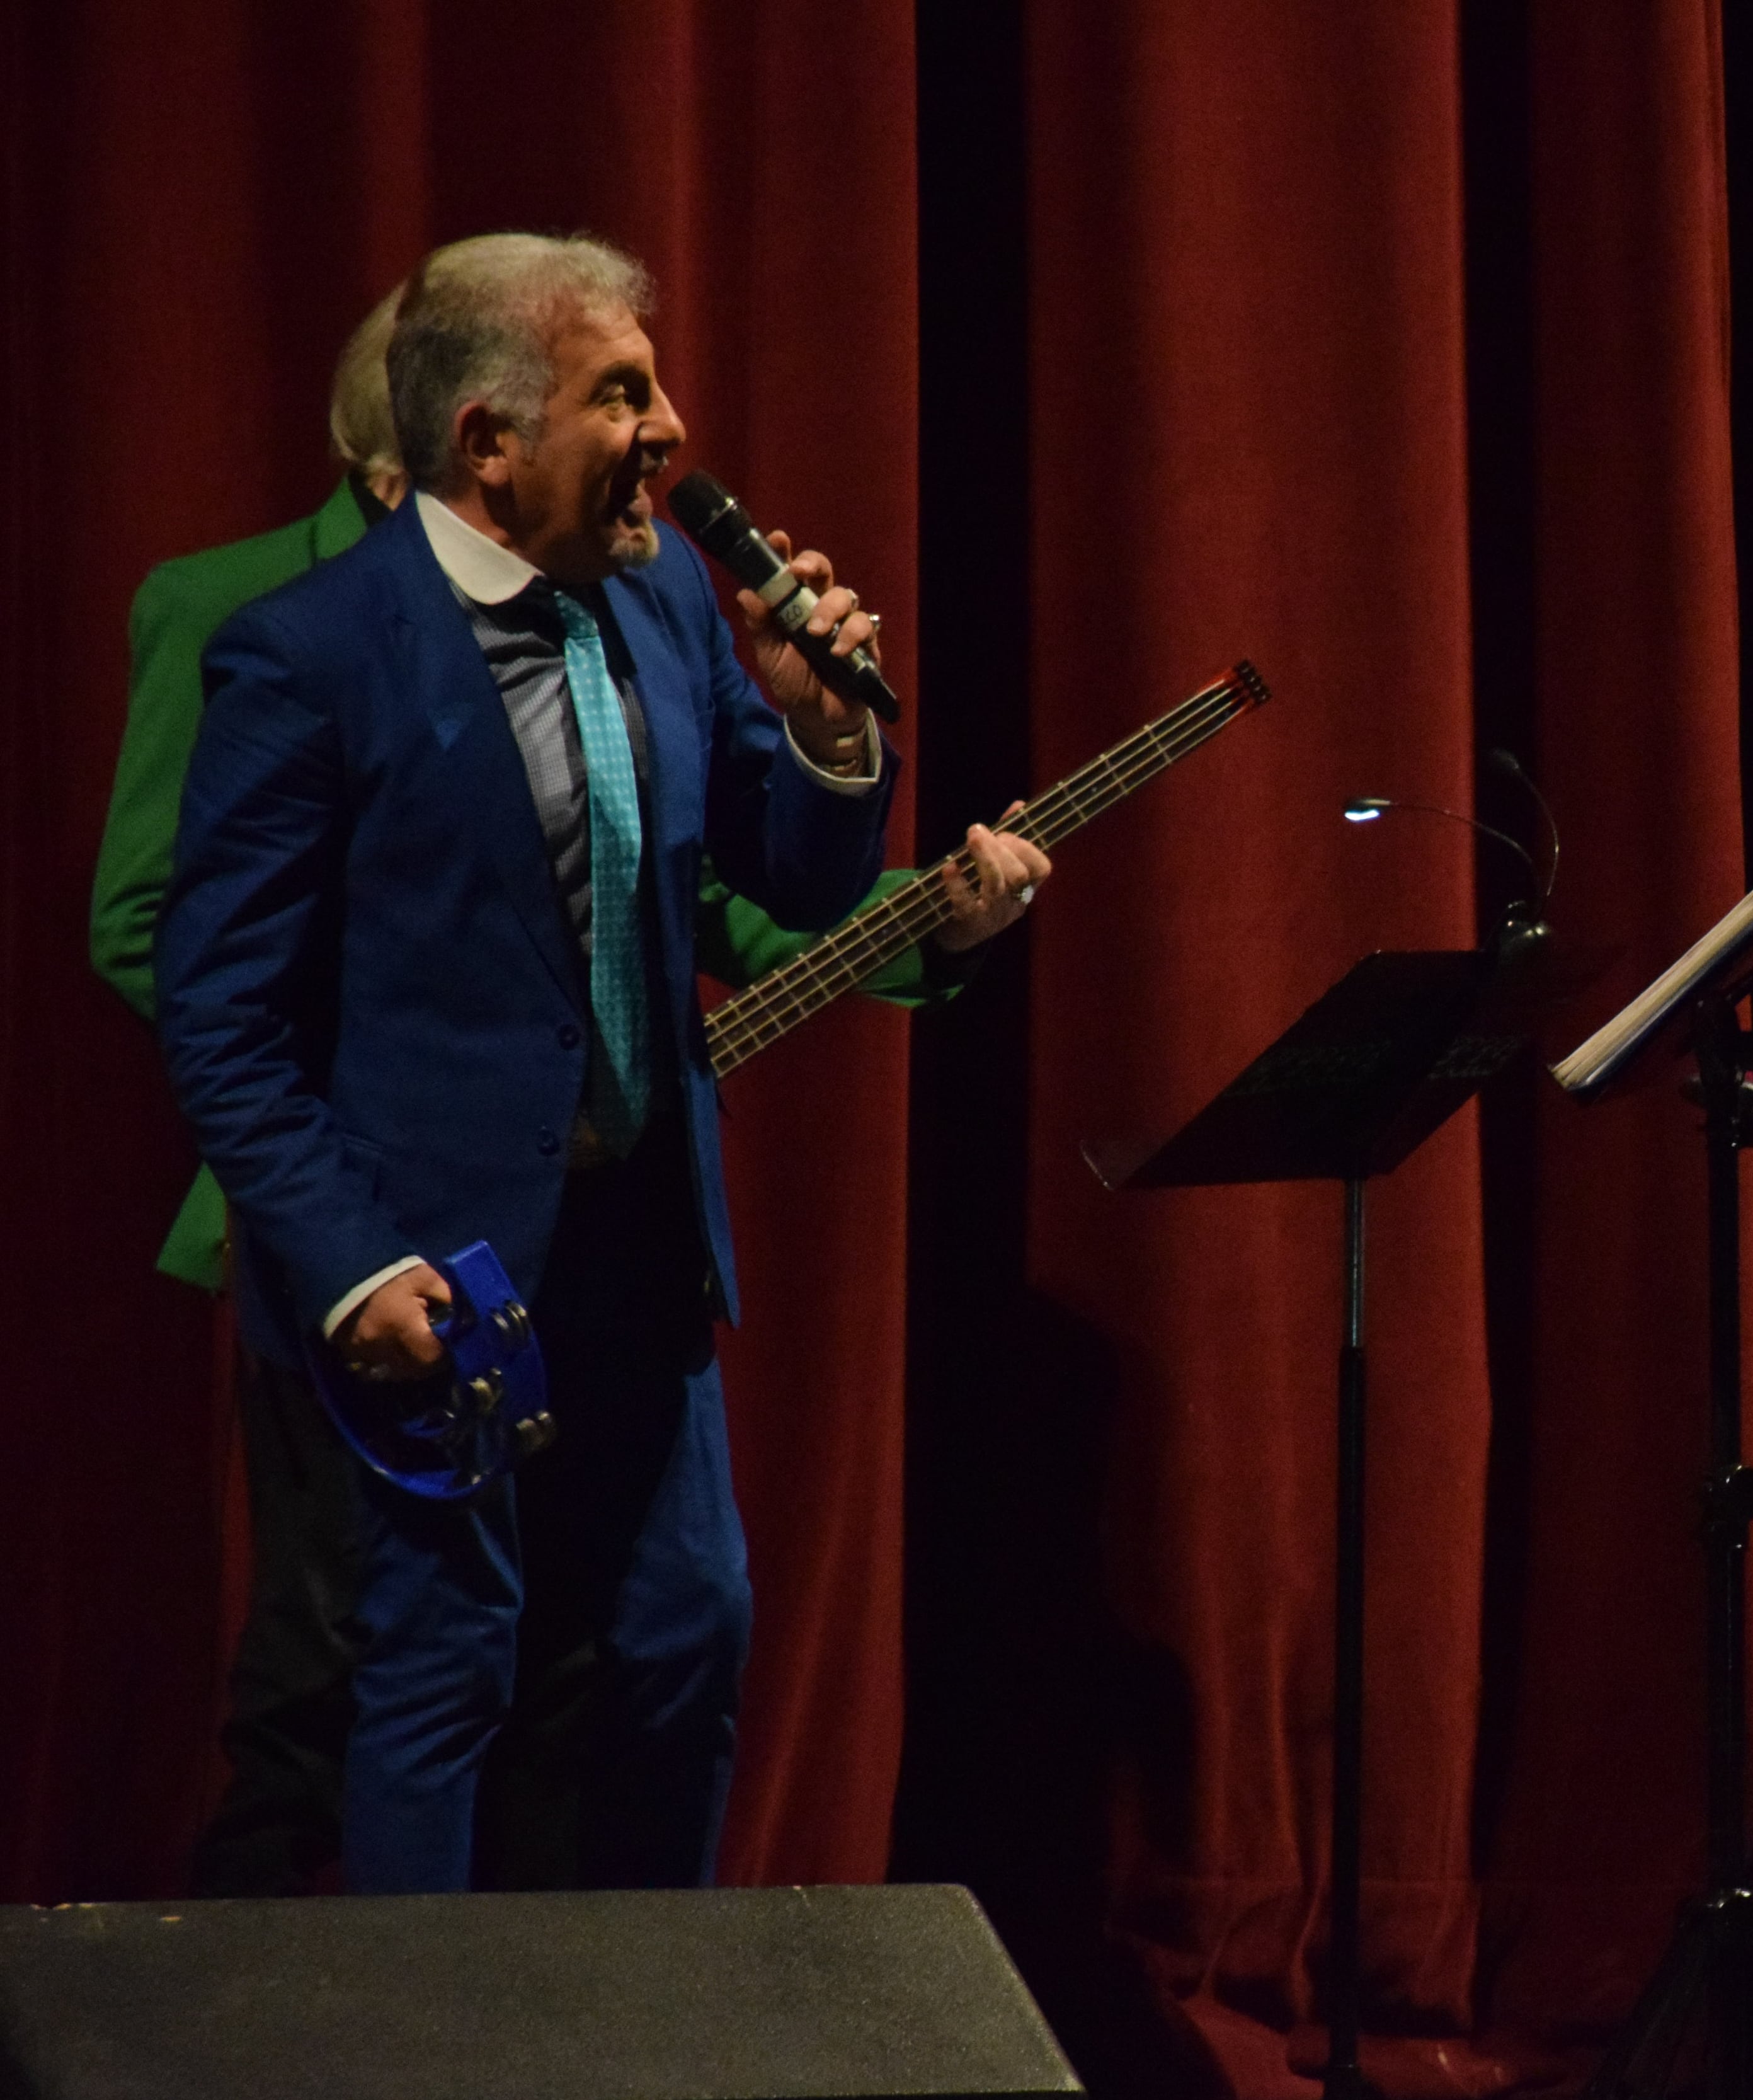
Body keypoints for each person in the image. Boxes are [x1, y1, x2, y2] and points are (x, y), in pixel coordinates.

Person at [100, 274, 1048, 1897]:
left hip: (636, 1246)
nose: (670, 432)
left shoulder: (666, 593)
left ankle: (643, 2038)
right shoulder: (311, 650)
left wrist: (826, 742)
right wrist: (348, 1264)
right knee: (435, 1671)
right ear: (488, 442)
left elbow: (797, 880)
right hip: (431, 1271)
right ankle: (430, 2062)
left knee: (685, 1638)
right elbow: (219, 1011)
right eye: (620, 395)